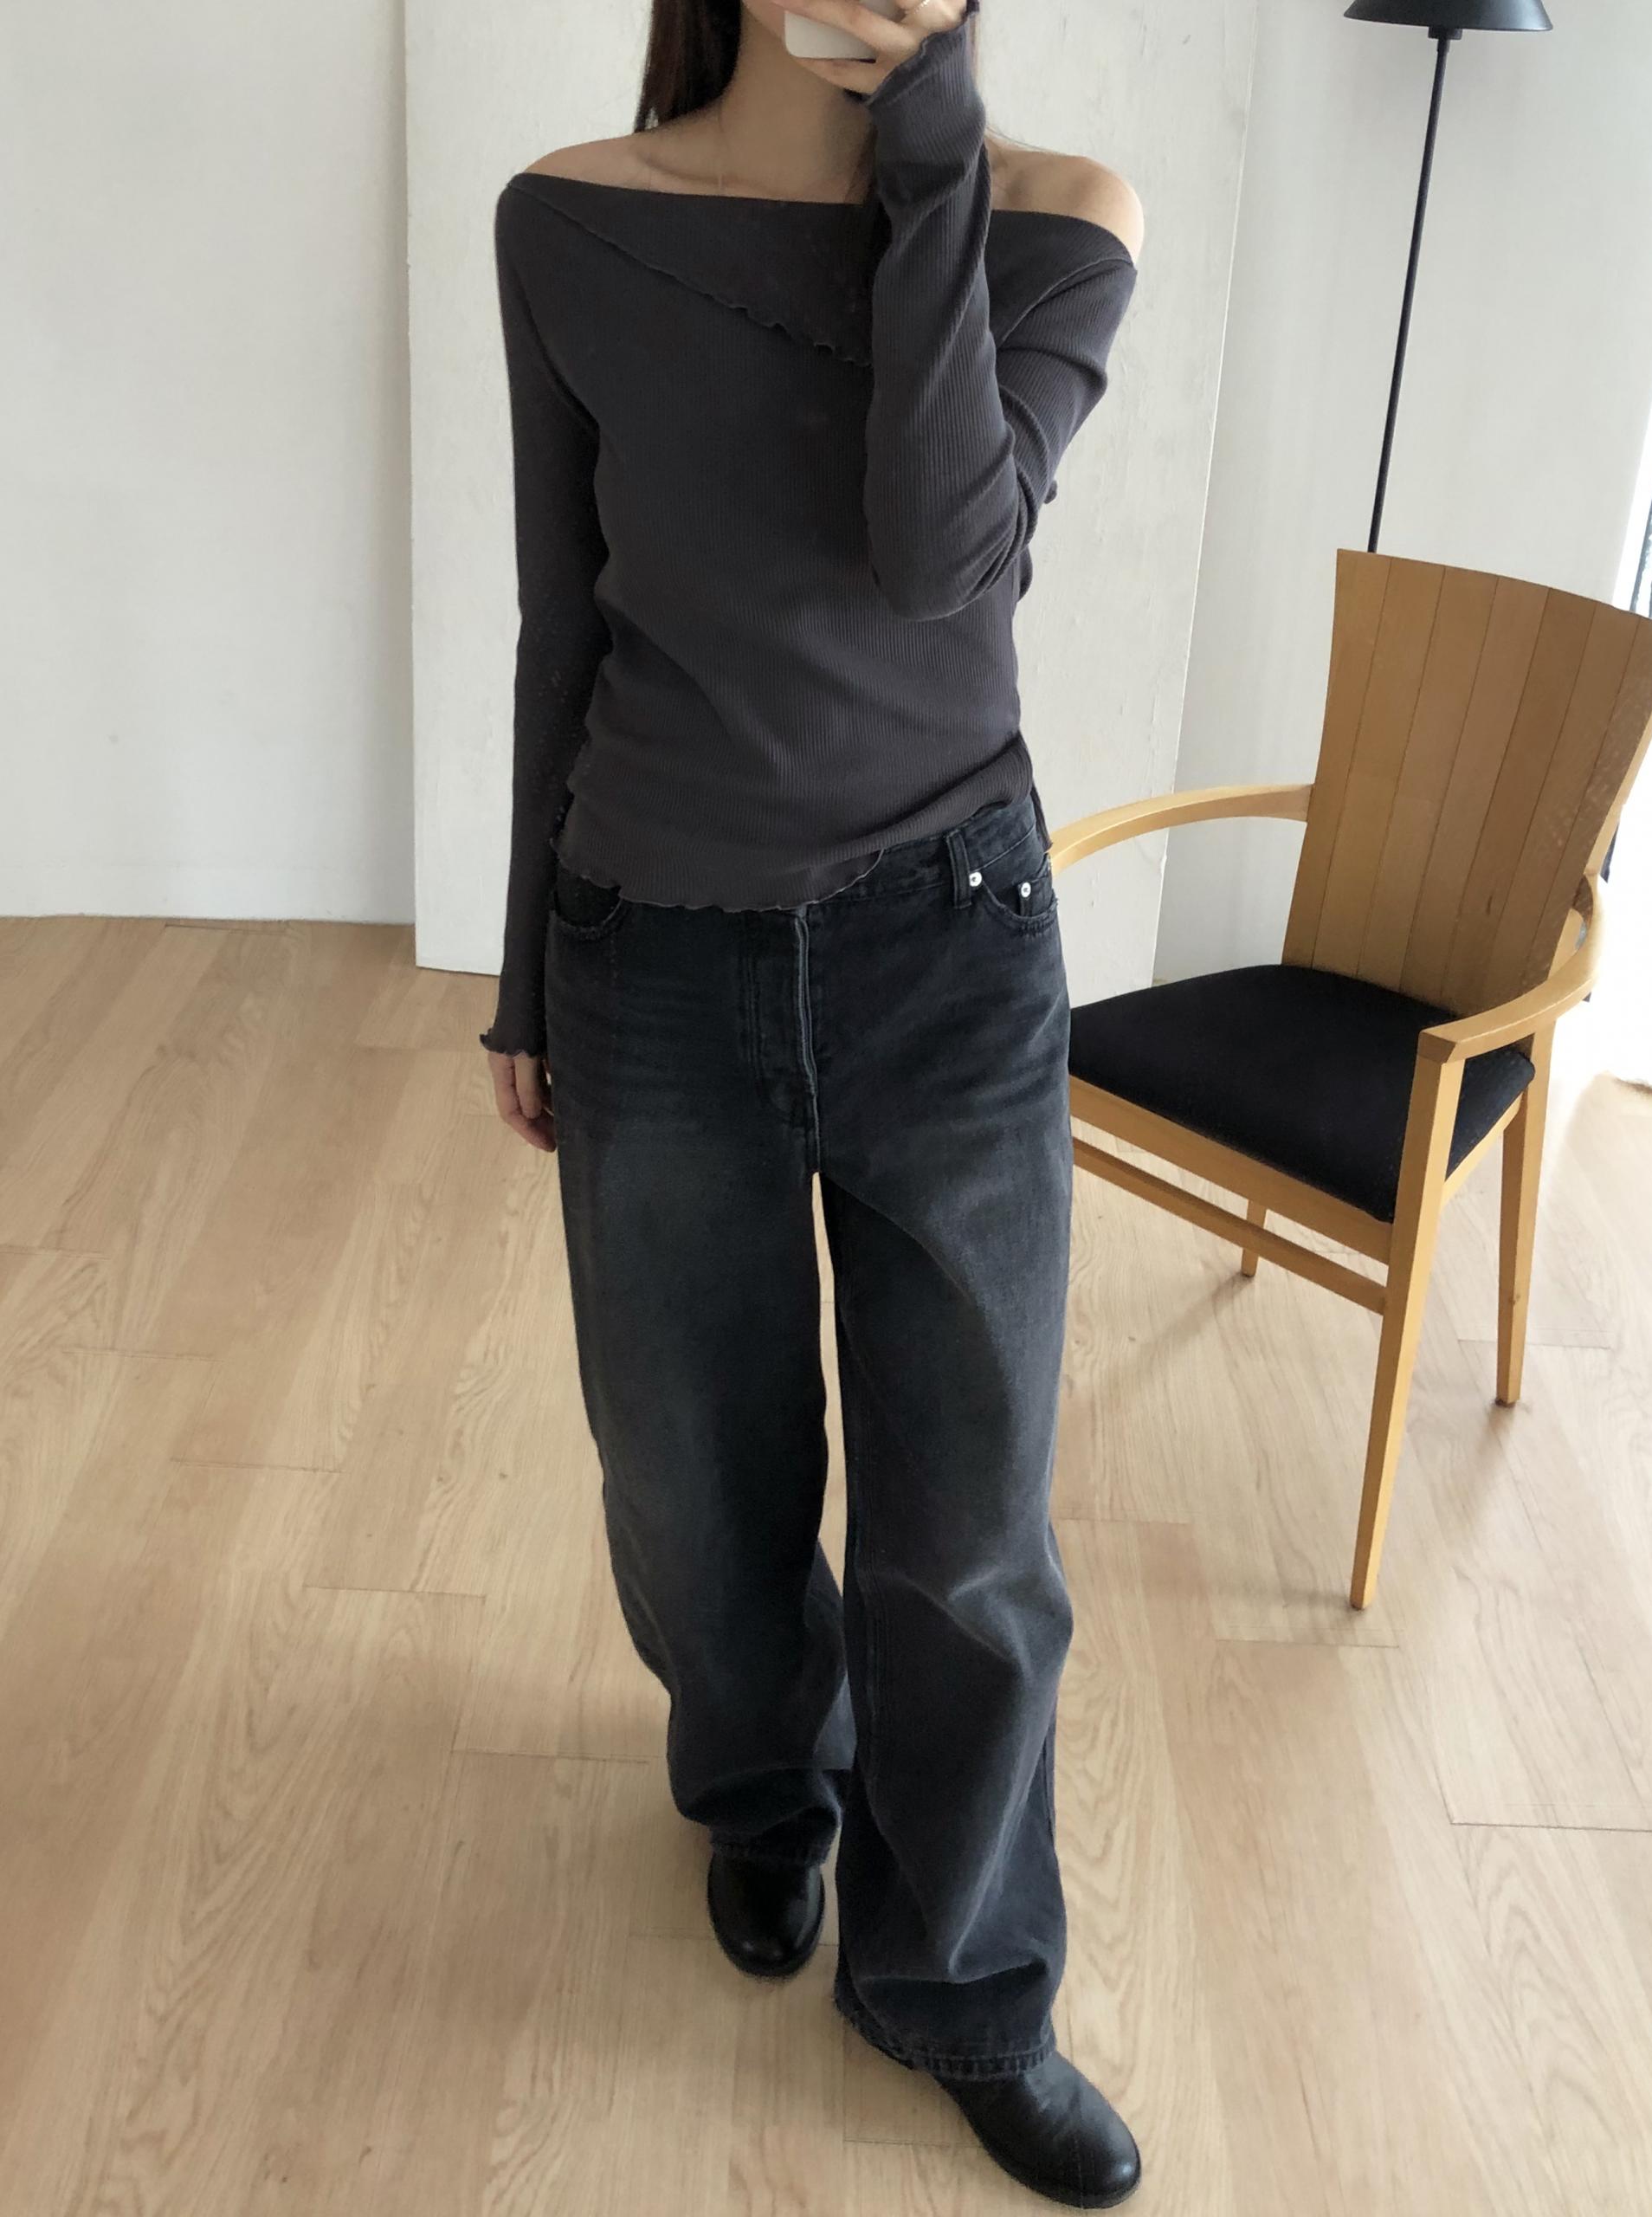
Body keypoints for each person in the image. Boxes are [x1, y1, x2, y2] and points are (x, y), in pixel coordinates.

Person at [478, 0, 1143, 2202]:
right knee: (690, 1482)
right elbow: (562, 618)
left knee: (970, 1534)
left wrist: (928, 141)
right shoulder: (568, 220)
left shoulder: (1058, 222)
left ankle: (961, 1981)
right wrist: (523, 974)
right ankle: (768, 1790)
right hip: (648, 943)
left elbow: (943, 552)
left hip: (948, 943)